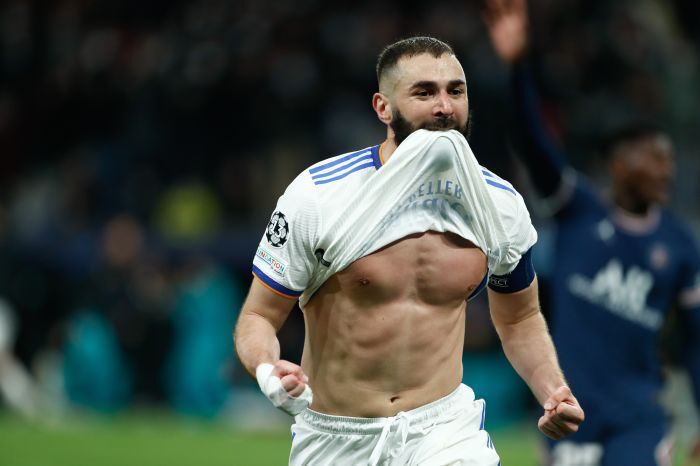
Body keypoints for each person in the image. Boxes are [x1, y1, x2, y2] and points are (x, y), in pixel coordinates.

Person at [234, 36, 584, 465]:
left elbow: (520, 318)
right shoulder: (319, 195)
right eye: (424, 92)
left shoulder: (500, 204)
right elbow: (258, 316)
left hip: (443, 430)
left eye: (455, 91)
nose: (444, 107)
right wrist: (268, 369)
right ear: (383, 107)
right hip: (335, 437)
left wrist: (552, 390)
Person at [483, 1, 700, 465]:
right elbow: (532, 142)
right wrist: (518, 67)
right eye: (653, 157)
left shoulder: (680, 245)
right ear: (619, 164)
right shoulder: (577, 209)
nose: (666, 169)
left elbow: (695, 339)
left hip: (639, 418)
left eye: (668, 159)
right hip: (570, 410)